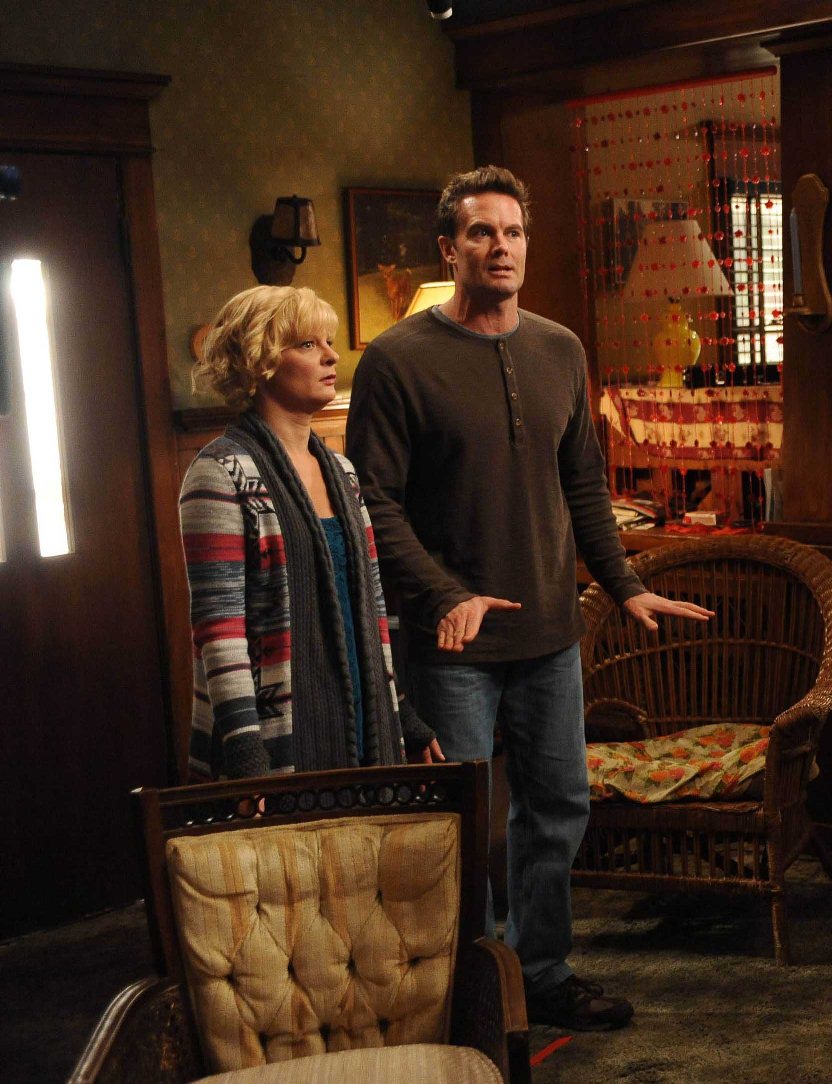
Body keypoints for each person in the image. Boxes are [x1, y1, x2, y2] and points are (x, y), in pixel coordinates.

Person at [346, 165, 712, 1032]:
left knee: (558, 810)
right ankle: (462, 989)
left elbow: (583, 482)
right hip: (452, 642)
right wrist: (445, 594)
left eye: (512, 232)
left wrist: (623, 584)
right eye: (481, 232)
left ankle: (540, 973)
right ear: (450, 248)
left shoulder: (560, 349)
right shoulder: (397, 360)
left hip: (551, 632)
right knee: (459, 824)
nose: (500, 247)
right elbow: (373, 502)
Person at [179, 285, 442, 779]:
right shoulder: (219, 473)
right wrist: (245, 753)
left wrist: (400, 712)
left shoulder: (342, 472)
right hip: (277, 738)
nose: (330, 356)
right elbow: (220, 632)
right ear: (259, 362)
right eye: (306, 344)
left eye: (328, 342)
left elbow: (370, 608)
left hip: (364, 726)